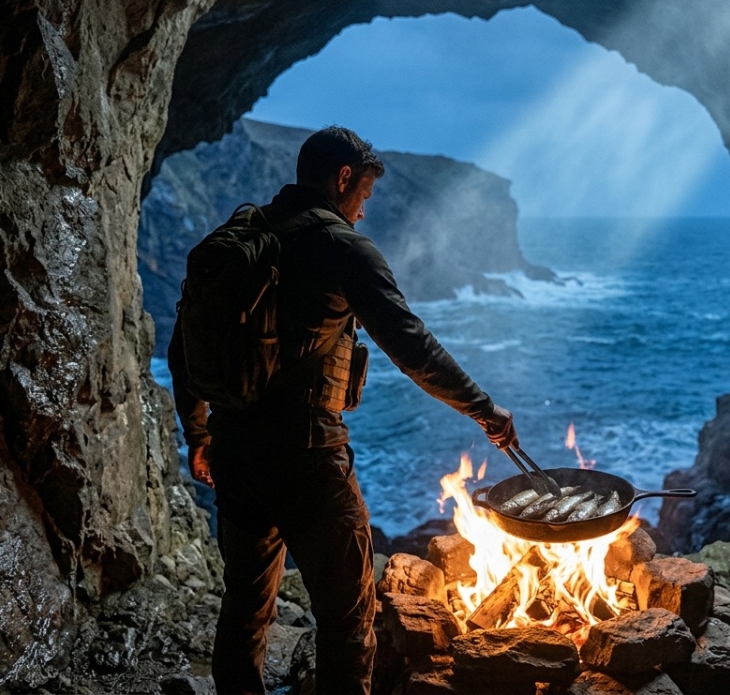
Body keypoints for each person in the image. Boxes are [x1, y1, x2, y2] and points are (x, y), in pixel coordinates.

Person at [167, 126, 517, 694]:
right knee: (349, 619)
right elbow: (411, 344)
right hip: (308, 459)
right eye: (363, 198)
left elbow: (183, 346)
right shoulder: (340, 247)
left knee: (246, 607)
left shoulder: (239, 238)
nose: (361, 213)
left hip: (235, 452)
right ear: (344, 178)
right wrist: (483, 410)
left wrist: (198, 432)